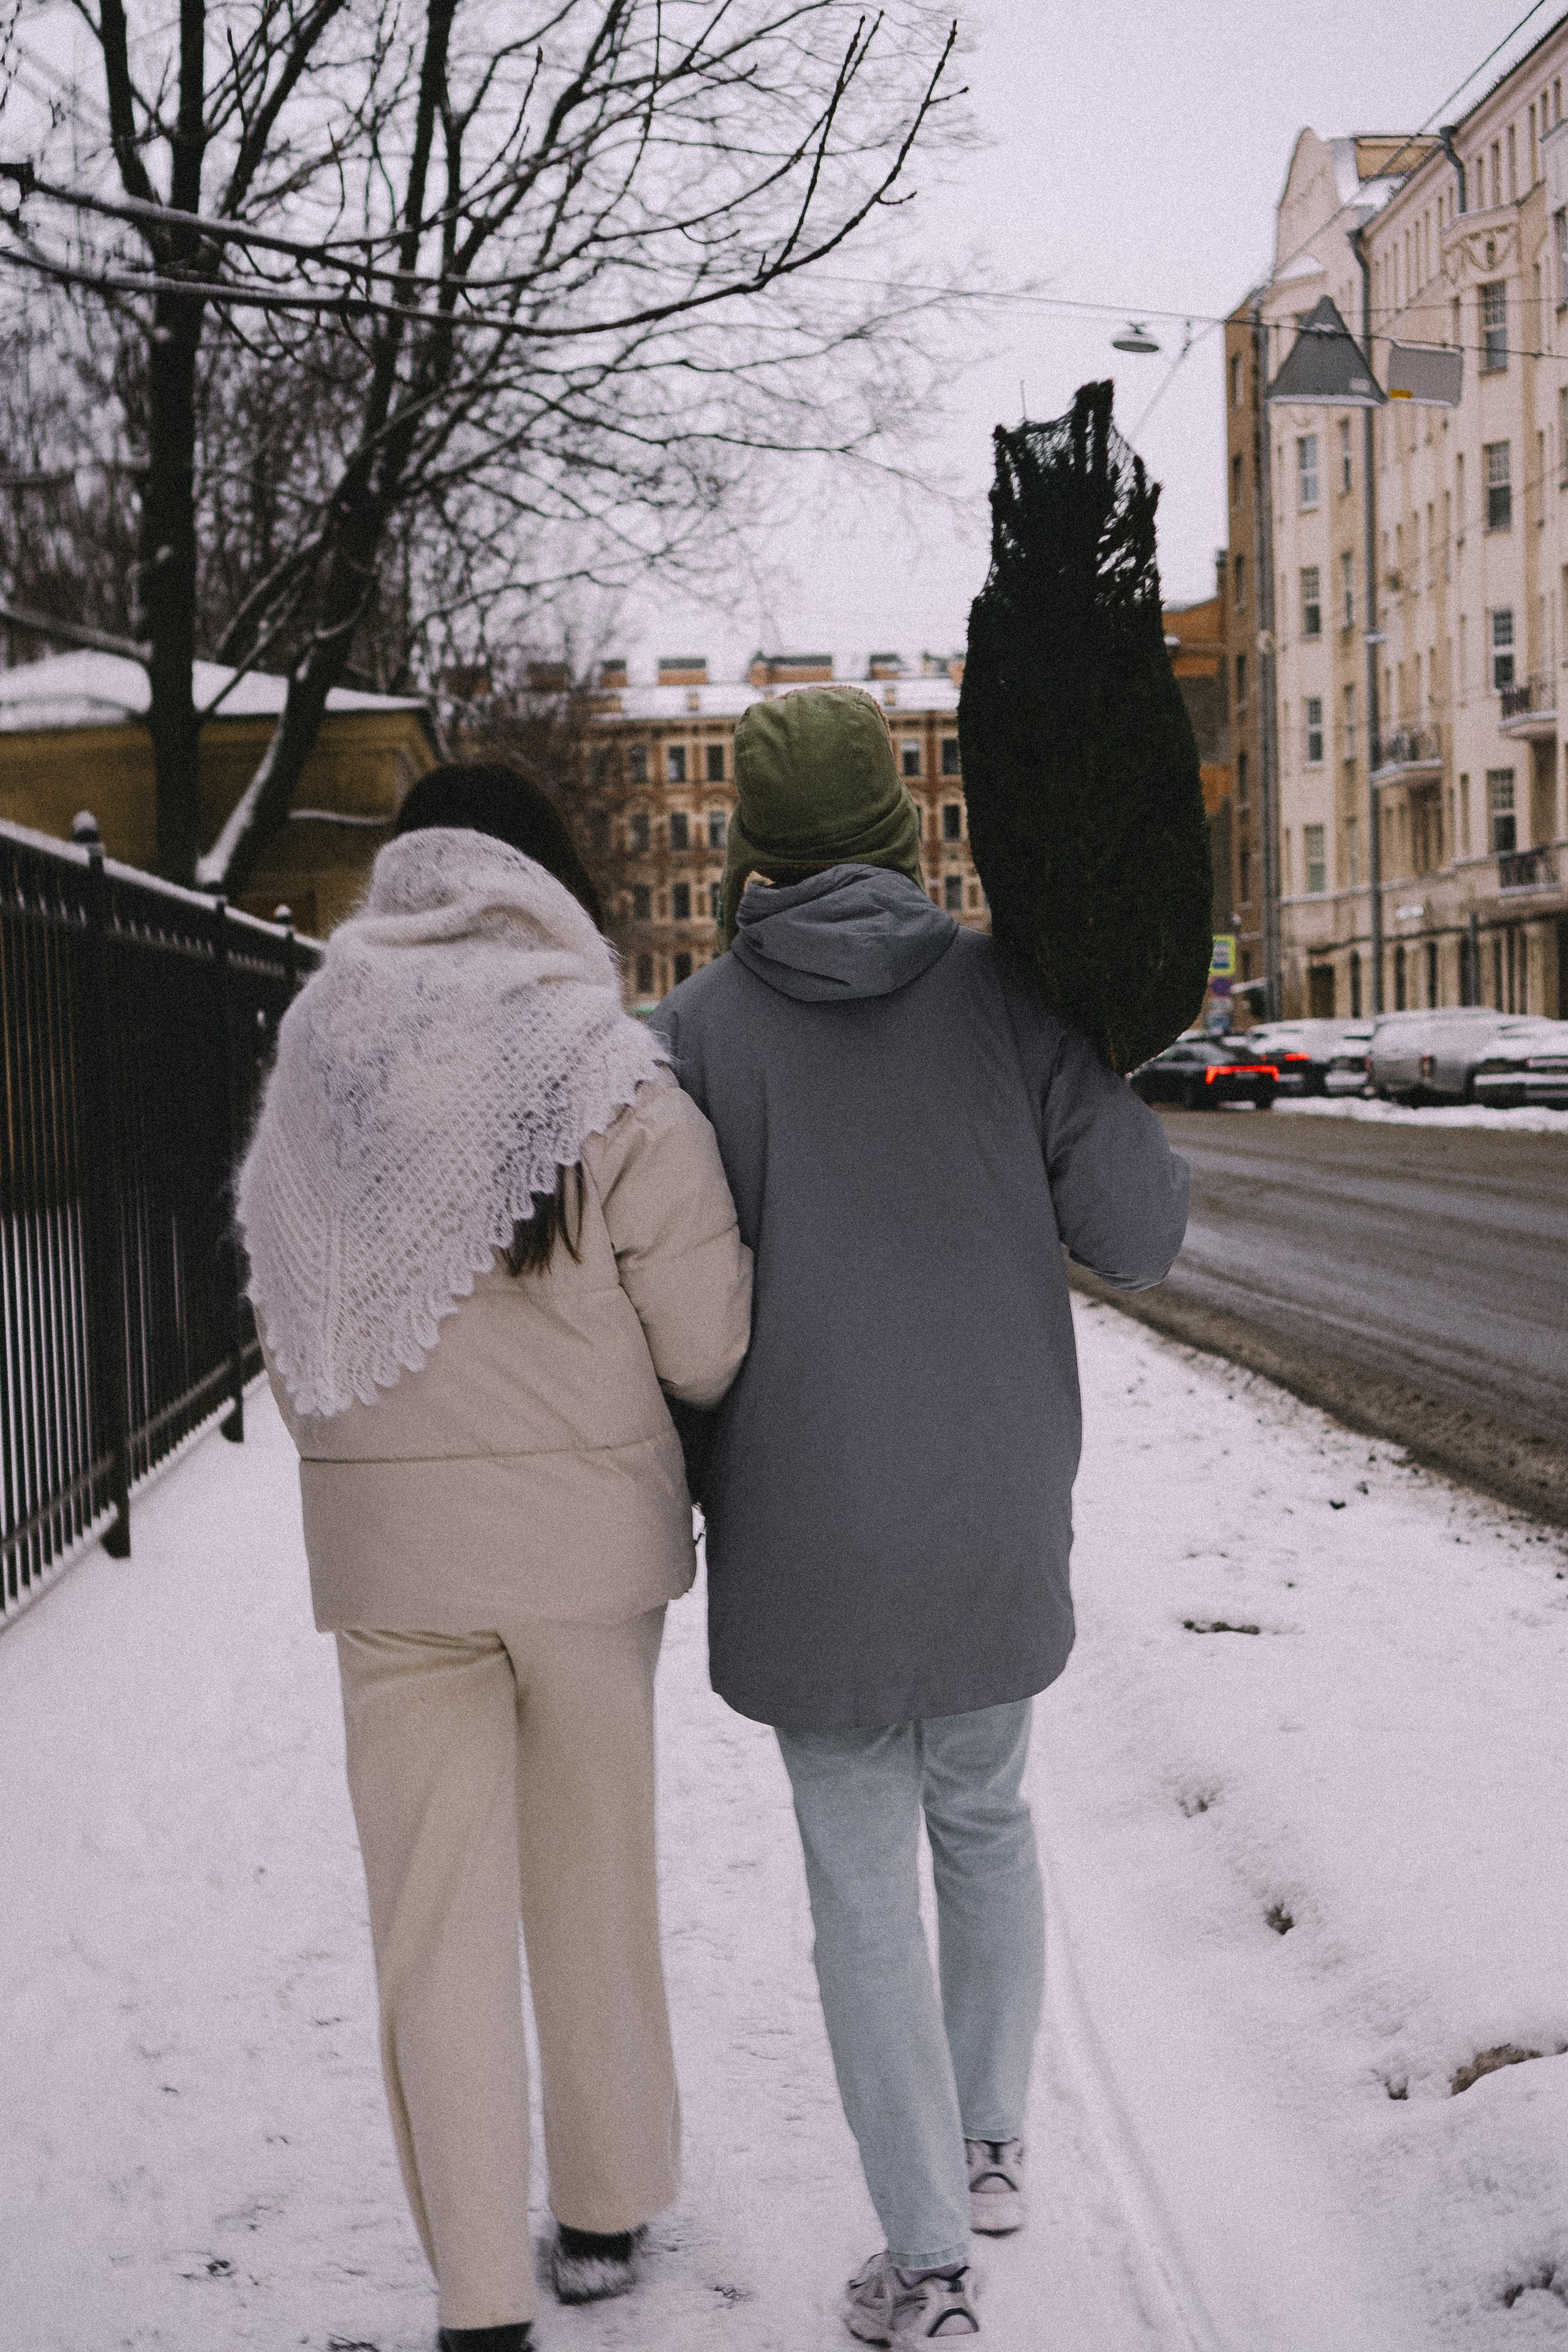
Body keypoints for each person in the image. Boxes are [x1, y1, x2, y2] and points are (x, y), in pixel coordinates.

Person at [653, 687, 1189, 2348]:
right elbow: (1146, 1229)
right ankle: (993, 2139)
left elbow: (663, 1310)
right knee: (988, 1817)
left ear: (750, 840)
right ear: (903, 824)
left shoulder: (693, 1036)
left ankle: (927, 2264)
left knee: (862, 1885)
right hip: (992, 1507)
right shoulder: (1013, 998)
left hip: (809, 1525)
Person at [237, 763, 753, 2352]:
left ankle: (475, 2299)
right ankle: (601, 2211)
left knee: (433, 1926)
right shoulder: (611, 1072)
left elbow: (286, 1320)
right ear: (542, 879)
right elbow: (712, 1342)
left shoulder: (319, 1062)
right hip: (590, 1564)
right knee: (593, 1882)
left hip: (393, 1573)